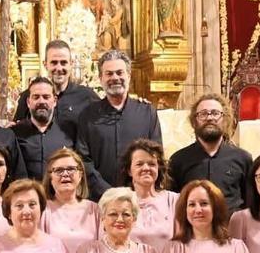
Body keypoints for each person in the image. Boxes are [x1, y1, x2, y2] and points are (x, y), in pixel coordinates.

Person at [76, 50, 161, 198]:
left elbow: (155, 155)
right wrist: (107, 192)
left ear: (128, 75)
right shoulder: (87, 116)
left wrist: (137, 189)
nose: (115, 78)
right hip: (100, 199)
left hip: (140, 198)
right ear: (101, 78)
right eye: (109, 74)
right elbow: (83, 160)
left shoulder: (147, 113)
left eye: (119, 73)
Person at [168, 93, 252, 212]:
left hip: (233, 228)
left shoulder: (243, 158)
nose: (209, 118)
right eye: (203, 114)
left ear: (225, 119)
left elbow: (251, 204)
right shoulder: (178, 160)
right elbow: (173, 206)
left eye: (215, 113)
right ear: (194, 121)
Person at [13, 41, 96, 138]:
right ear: (45, 64)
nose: (59, 68)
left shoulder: (87, 97)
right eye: (54, 62)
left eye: (63, 62)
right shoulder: (29, 96)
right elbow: (18, 131)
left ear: (71, 64)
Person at [14, 77, 73, 182]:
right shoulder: (14, 133)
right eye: (36, 97)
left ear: (54, 101)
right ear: (28, 102)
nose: (41, 101)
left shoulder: (69, 132)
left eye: (46, 97)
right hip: (27, 196)